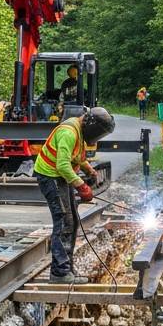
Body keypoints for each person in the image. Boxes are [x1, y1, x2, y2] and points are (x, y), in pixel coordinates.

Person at [34, 107, 115, 284]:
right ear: (91, 126)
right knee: (64, 222)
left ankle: (67, 269)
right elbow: (63, 165)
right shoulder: (69, 133)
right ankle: (59, 273)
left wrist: (88, 169)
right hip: (50, 176)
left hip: (60, 176)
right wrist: (82, 185)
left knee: (72, 222)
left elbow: (76, 156)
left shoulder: (79, 131)